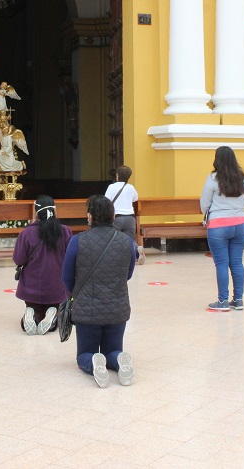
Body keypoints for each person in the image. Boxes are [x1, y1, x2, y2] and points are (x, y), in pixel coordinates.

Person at [62, 195, 136, 388]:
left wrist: (79, 293)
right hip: (117, 308)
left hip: (87, 311)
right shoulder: (126, 241)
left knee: (84, 355)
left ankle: (94, 362)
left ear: (89, 217)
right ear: (113, 216)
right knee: (112, 349)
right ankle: (119, 359)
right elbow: (128, 274)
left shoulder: (77, 241)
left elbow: (66, 276)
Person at [13, 196, 73, 335]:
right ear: (54, 211)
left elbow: (19, 259)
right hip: (57, 287)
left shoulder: (26, 233)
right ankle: (53, 314)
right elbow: (70, 258)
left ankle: (31, 312)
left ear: (36, 213)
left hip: (31, 288)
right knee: (55, 313)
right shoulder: (65, 231)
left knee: (34, 312)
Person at [200, 146, 244, 311]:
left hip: (219, 226)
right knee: (236, 262)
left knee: (221, 263)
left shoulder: (213, 178)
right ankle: (238, 300)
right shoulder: (243, 178)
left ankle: (222, 301)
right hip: (241, 223)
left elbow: (204, 204)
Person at [105, 165, 146, 264]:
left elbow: (106, 200)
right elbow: (135, 198)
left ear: (117, 176)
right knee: (130, 239)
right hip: (130, 218)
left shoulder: (111, 187)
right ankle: (137, 250)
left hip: (116, 217)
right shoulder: (131, 187)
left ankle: (115, 258)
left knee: (114, 238)